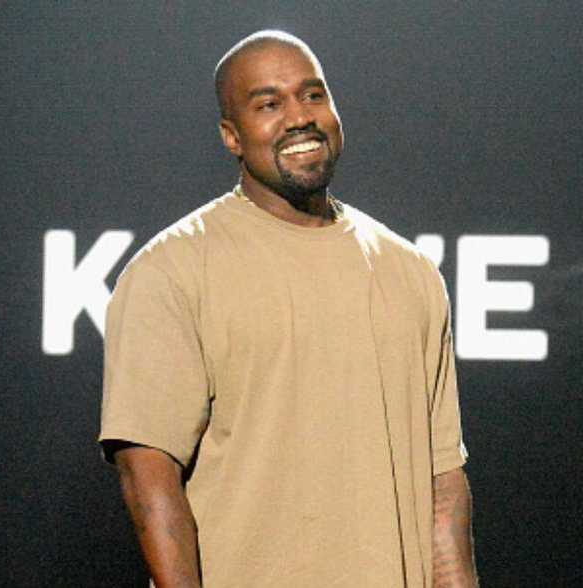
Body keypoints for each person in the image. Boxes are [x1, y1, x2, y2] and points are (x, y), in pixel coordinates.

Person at [99, 30, 477, 587]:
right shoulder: (172, 271)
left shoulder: (410, 272)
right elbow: (148, 475)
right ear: (231, 135)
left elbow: (442, 481)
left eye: (313, 95)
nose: (299, 118)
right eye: (268, 104)